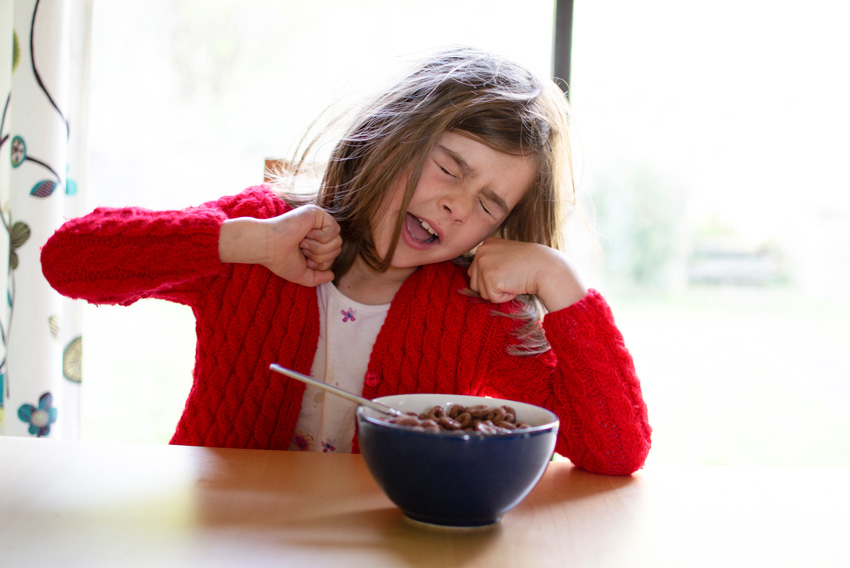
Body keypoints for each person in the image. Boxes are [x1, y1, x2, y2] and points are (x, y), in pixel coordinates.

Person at [41, 46, 651, 475]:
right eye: (448, 168)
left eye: (489, 205)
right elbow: (68, 259)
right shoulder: (262, 235)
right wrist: (243, 243)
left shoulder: (476, 311)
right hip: (222, 535)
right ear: (393, 136)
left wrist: (561, 281)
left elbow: (616, 450)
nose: (456, 206)